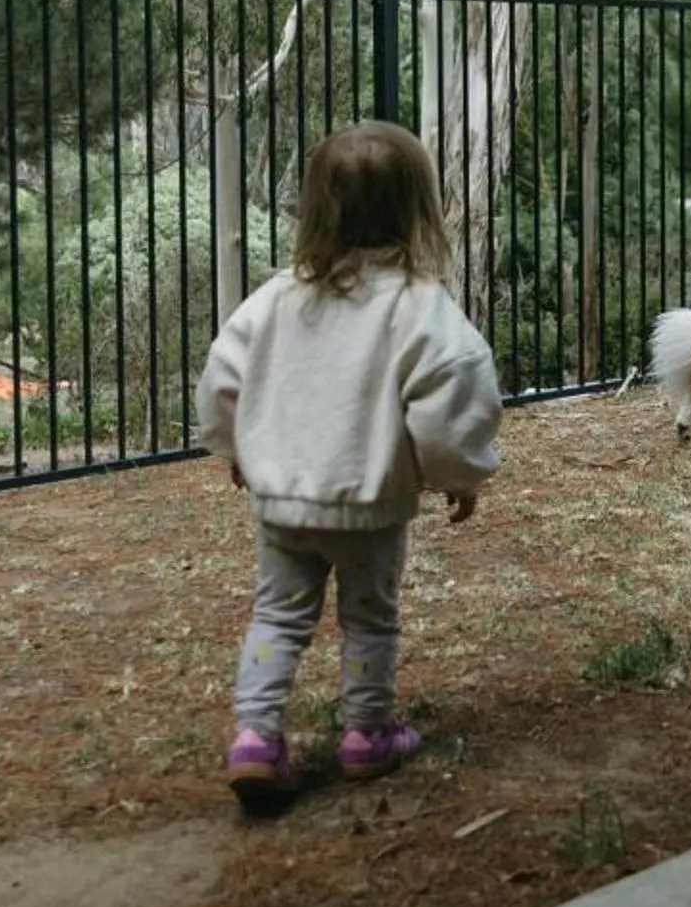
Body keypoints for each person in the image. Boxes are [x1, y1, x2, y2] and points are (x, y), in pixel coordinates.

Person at [196, 119, 502, 812]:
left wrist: (236, 445)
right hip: (367, 503)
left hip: (282, 501)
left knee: (277, 615)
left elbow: (222, 375)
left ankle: (254, 736)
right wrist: (459, 471)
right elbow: (454, 391)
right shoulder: (418, 305)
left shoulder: (278, 297)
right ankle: (366, 734)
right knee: (369, 618)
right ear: (415, 208)